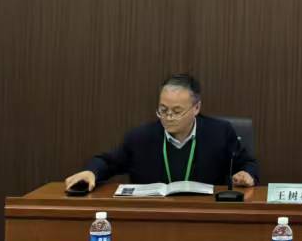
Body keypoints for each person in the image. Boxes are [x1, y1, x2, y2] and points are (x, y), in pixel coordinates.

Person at [65, 74, 259, 191]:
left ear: (196, 108)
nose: (168, 117)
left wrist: (247, 175)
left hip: (206, 218)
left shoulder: (220, 133)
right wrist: (91, 172)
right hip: (152, 219)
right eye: (163, 110)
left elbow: (247, 163)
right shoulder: (140, 138)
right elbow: (108, 161)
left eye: (176, 111)